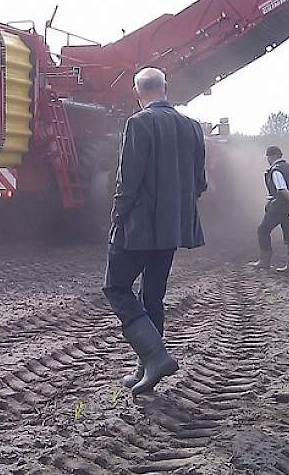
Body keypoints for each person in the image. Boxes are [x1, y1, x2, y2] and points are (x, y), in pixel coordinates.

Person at [102, 67, 207, 394]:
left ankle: (154, 355)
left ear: (138, 93)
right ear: (166, 88)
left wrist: (117, 216)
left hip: (138, 227)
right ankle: (146, 368)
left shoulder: (139, 122)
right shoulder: (192, 127)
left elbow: (128, 180)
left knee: (116, 288)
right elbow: (200, 183)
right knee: (153, 296)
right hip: (172, 229)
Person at [249, 146, 289, 273]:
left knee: (263, 230)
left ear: (270, 157)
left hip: (279, 207)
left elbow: (282, 189)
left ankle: (264, 261)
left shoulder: (276, 170)